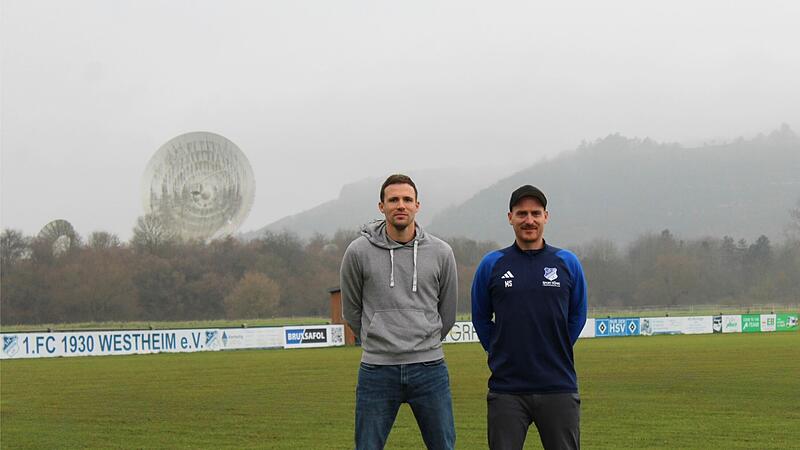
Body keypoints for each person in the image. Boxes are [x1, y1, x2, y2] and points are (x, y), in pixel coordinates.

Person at [340, 174, 459, 450]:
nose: (400, 205)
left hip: (429, 369)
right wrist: (376, 337)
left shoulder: (442, 252)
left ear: (418, 205)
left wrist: (424, 340)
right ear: (381, 206)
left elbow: (448, 313)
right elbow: (352, 310)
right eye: (393, 200)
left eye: (407, 199)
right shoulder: (358, 252)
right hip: (377, 370)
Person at [471, 185, 587, 450]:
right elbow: (480, 317)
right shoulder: (492, 264)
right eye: (521, 213)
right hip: (507, 389)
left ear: (546, 216)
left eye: (535, 213)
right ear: (510, 217)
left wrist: (556, 345)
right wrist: (501, 348)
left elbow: (578, 314)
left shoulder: (567, 262)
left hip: (558, 385)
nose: (529, 220)